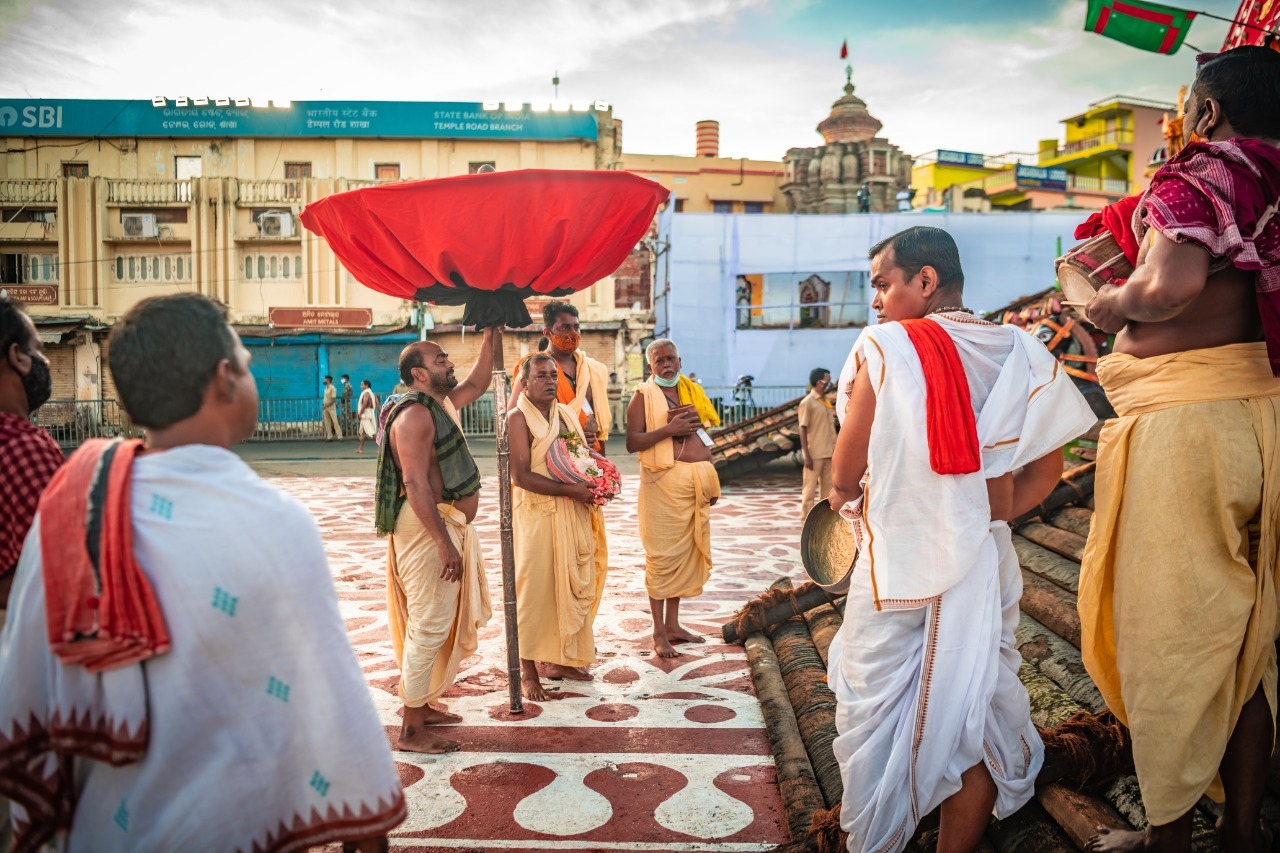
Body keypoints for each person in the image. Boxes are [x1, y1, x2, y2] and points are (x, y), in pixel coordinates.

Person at [0, 293, 404, 850]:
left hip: (103, 830)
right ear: (223, 379)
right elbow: (329, 699)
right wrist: (369, 834)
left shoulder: (71, 509)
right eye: (247, 363)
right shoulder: (275, 522)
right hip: (231, 826)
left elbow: (23, 684)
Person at [825, 227, 1095, 852]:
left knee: (883, 708)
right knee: (968, 711)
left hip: (899, 563)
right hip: (982, 557)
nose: (877, 301)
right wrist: (983, 514)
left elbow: (845, 469)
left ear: (924, 281)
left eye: (882, 284)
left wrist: (842, 499)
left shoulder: (886, 347)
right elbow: (1049, 472)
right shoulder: (1019, 350)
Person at [1077, 46, 1280, 853]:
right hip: (1260, 416)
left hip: (1188, 428)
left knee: (1171, 634)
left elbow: (1167, 289)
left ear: (1203, 112)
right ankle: (1236, 831)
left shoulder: (1203, 171)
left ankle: (1167, 839)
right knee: (1247, 641)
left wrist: (1104, 302)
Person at [378, 330, 499, 754]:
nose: (448, 362)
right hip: (429, 529)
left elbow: (479, 384)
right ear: (419, 373)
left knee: (435, 621)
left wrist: (491, 336)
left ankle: (424, 704)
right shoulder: (414, 415)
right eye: (440, 359)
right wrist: (444, 543)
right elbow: (413, 482)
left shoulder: (438, 404)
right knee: (428, 624)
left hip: (445, 525)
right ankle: (411, 729)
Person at [0, 296, 63, 853]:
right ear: (18, 359)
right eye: (39, 351)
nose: (41, 362)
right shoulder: (22, 448)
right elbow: (60, 577)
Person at [508, 353, 608, 701]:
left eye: (553, 375)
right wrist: (571, 490)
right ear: (524, 382)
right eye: (541, 376)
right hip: (537, 516)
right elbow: (519, 476)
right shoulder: (517, 418)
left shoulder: (565, 413)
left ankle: (563, 660)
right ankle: (528, 671)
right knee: (534, 592)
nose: (550, 381)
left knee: (570, 583)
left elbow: (578, 455)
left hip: (571, 509)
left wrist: (600, 473)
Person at [626, 339, 722, 658]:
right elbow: (632, 442)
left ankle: (674, 625)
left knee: (683, 556)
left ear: (679, 361)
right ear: (650, 367)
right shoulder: (641, 397)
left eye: (670, 359)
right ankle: (658, 633)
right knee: (662, 558)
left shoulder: (691, 391)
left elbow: (703, 431)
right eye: (659, 361)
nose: (666, 365)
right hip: (662, 485)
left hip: (694, 484)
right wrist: (669, 429)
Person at [510, 301, 611, 453]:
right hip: (549, 458)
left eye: (576, 327)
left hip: (590, 458)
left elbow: (597, 420)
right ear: (547, 333)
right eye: (565, 327)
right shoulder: (532, 369)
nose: (573, 333)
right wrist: (571, 438)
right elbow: (513, 421)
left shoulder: (592, 369)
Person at [798, 366, 836, 522]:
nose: (829, 383)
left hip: (829, 453)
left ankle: (822, 527)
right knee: (809, 492)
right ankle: (805, 525)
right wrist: (806, 455)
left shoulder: (826, 402)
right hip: (814, 455)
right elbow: (802, 428)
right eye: (827, 380)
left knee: (827, 494)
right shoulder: (808, 402)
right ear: (819, 382)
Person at [356, 378, 378, 455]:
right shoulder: (372, 394)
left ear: (366, 385)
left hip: (365, 416)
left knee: (372, 433)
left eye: (362, 384)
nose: (361, 386)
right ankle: (361, 448)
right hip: (368, 415)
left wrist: (360, 413)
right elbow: (378, 405)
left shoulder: (366, 393)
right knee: (363, 433)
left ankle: (384, 449)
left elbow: (365, 404)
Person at [321, 374, 342, 440]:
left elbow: (333, 399)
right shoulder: (326, 388)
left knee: (335, 422)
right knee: (327, 422)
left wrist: (326, 406)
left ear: (328, 380)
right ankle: (329, 436)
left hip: (331, 407)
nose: (323, 380)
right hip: (325, 407)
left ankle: (340, 436)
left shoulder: (332, 388)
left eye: (324, 379)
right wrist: (324, 406)